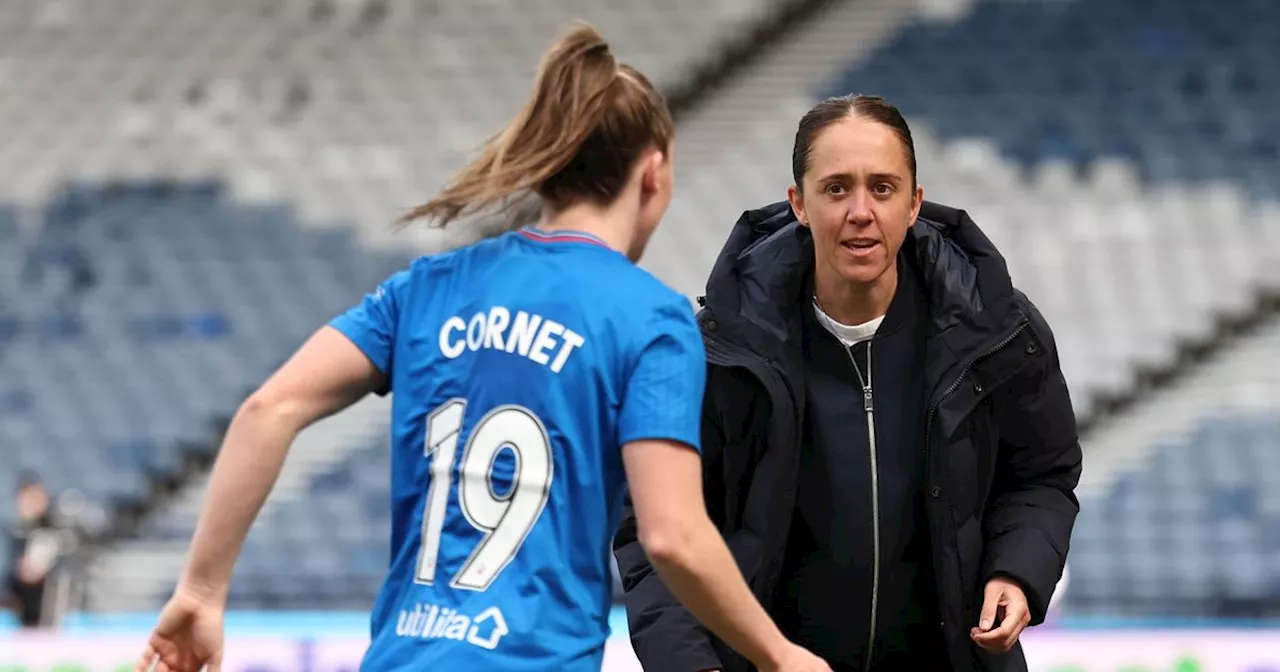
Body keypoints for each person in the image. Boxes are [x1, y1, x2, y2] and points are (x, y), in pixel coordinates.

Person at [134, 23, 830, 672]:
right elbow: (673, 535)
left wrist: (200, 592)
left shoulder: (428, 286)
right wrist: (778, 656)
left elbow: (269, 408)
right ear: (653, 171)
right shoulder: (650, 318)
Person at [614, 94, 1082, 672]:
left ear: (914, 204)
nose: (861, 210)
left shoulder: (1000, 333)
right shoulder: (715, 352)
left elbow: (1042, 475)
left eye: (882, 188)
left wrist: (1017, 569)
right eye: (836, 188)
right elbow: (653, 527)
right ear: (798, 204)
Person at [5, 472, 56, 628]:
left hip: (44, 607)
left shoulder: (53, 529)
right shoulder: (11, 531)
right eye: (30, 498)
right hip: (17, 605)